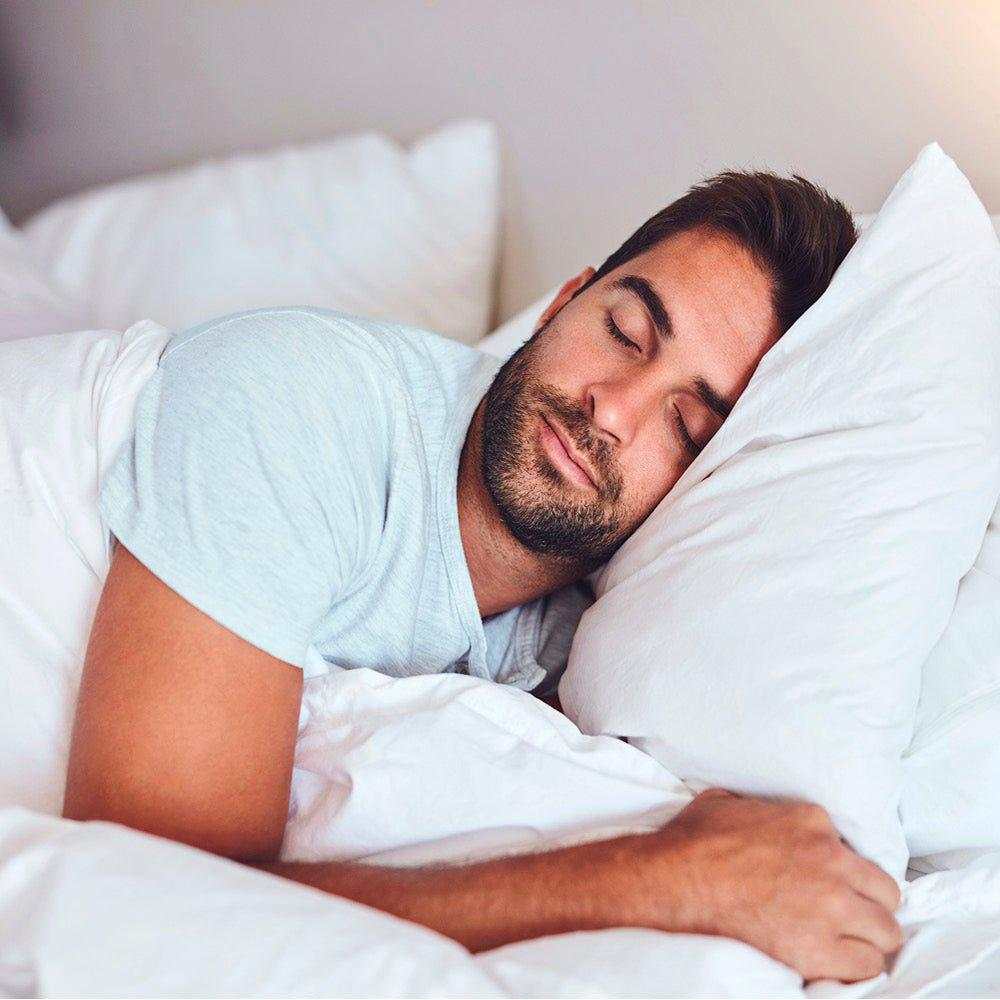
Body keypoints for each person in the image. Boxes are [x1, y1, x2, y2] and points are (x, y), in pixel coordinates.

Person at [62, 168, 902, 983]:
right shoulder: (292, 400)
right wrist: (666, 880)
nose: (614, 408)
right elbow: (149, 901)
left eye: (684, 425)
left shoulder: (584, 655)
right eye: (623, 332)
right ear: (565, 299)